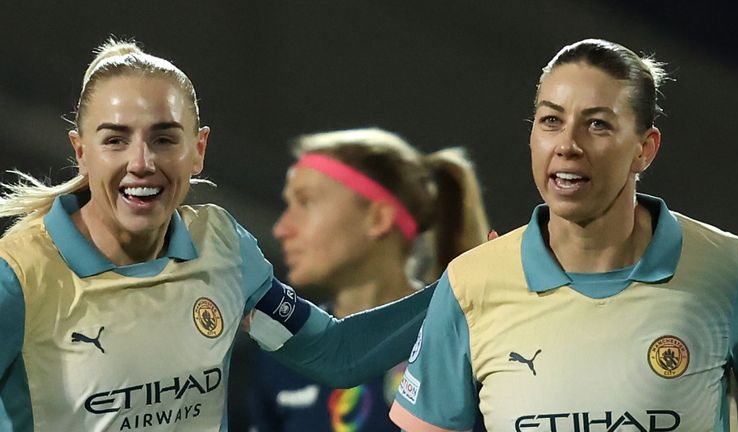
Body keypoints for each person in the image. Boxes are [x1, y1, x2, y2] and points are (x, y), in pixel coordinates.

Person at [0, 39, 434, 432]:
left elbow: (338, 354)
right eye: (115, 140)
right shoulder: (19, 277)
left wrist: (457, 289)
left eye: (164, 139)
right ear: (81, 153)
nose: (142, 162)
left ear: (198, 150)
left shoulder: (221, 245)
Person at [389, 38, 738, 431]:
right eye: (551, 121)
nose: (568, 145)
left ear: (644, 149)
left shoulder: (729, 268)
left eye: (598, 124)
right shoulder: (469, 284)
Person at [243, 128, 490, 431]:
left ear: (378, 218)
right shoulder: (285, 349)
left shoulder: (463, 341)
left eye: (305, 202)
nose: (282, 228)